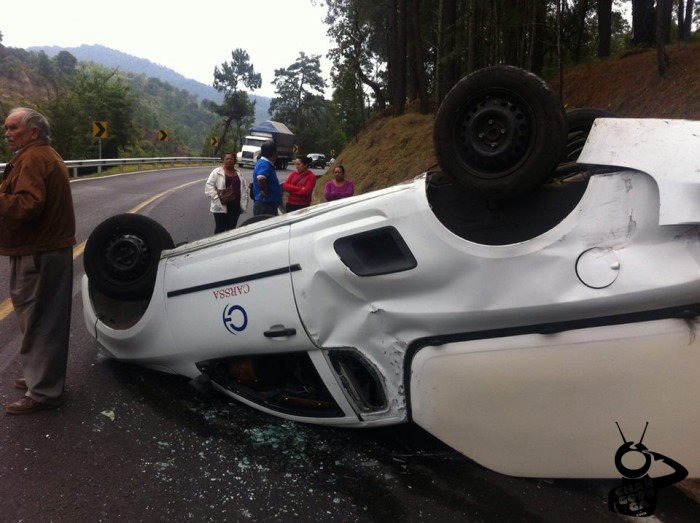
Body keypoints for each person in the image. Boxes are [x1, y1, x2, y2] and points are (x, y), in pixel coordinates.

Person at [1, 107, 76, 415]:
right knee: (41, 318)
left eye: (13, 128)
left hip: (38, 252)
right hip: (42, 249)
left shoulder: (33, 158)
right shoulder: (42, 154)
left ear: (33, 132)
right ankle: (40, 376)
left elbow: (28, 205)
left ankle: (44, 391)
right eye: (6, 128)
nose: (7, 133)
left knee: (40, 320)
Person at [205, 151, 248, 233]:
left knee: (231, 229)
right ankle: (217, 245)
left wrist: (244, 201)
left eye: (231, 159)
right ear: (224, 160)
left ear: (235, 161)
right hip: (221, 206)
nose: (229, 161)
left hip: (235, 207)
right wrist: (216, 198)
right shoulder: (217, 172)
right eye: (227, 159)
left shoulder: (239, 174)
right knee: (220, 229)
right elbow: (209, 186)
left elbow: (244, 187)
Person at [252, 141, 282, 216]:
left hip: (266, 205)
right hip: (265, 206)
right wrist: (265, 191)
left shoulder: (263, 162)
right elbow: (261, 178)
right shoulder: (264, 164)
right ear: (273, 153)